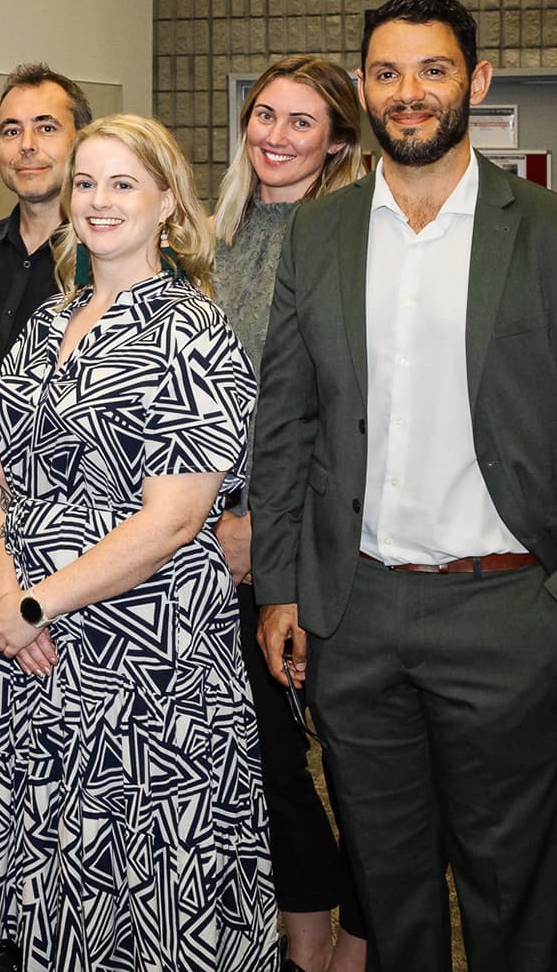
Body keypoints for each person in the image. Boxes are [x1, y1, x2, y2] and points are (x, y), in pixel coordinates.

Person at [252, 0, 557, 970]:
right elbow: (288, 423)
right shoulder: (320, 234)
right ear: (364, 86)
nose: (410, 93)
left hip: (511, 612)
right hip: (358, 618)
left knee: (512, 896)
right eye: (387, 73)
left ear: (475, 80)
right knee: (391, 903)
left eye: (433, 70)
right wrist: (282, 584)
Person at [0, 114, 274, 968]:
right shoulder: (44, 322)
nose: (98, 201)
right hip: (43, 656)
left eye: (122, 183)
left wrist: (33, 603)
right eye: (86, 183)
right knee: (62, 898)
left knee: (155, 901)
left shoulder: (192, 332)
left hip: (150, 671)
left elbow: (174, 519)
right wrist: (5, 596)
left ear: (168, 203)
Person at [210, 54, 370, 972]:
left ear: (339, 141)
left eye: (301, 121)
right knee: (268, 760)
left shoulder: (350, 240)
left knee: (356, 766)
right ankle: (307, 929)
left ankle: (363, 936)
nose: (274, 135)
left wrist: (267, 528)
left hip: (308, 541)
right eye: (264, 115)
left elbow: (339, 412)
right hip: (214, 542)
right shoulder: (210, 238)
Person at [0, 63, 93, 743]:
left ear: (81, 139)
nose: (26, 144)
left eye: (45, 127)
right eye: (12, 130)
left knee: (81, 748)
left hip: (82, 551)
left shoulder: (112, 253)